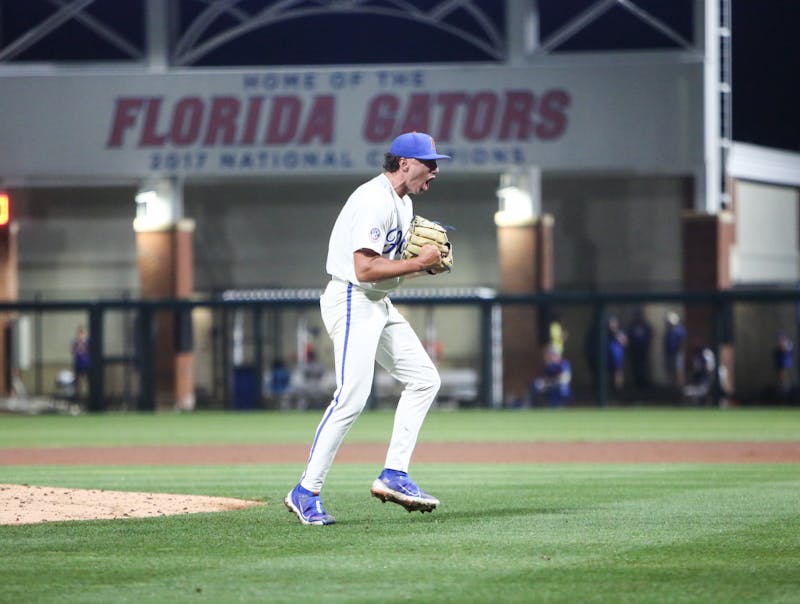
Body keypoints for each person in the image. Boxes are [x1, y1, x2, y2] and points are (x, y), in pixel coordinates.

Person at [285, 132, 451, 526]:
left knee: (425, 379)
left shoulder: (404, 203)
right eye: (430, 162)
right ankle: (306, 490)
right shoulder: (374, 199)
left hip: (377, 302)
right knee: (351, 398)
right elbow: (364, 268)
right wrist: (417, 263)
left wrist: (421, 264)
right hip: (351, 298)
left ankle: (394, 474)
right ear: (405, 163)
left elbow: (387, 270)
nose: (436, 170)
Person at [626, 309, 652, 391]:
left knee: (643, 367)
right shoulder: (632, 326)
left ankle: (643, 383)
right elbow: (628, 337)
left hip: (643, 351)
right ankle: (637, 384)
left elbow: (650, 333)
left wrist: (646, 344)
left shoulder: (645, 325)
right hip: (634, 351)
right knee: (635, 367)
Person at [663, 311, 686, 388]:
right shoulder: (669, 331)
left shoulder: (679, 330)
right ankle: (672, 387)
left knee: (678, 370)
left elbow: (682, 342)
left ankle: (680, 387)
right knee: (670, 370)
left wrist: (679, 351)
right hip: (670, 353)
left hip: (677, 353)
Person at [772, 332, 794, 401]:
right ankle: (783, 390)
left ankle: (786, 390)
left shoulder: (788, 345)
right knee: (781, 379)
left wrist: (784, 347)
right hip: (780, 365)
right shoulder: (778, 347)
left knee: (785, 378)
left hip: (786, 365)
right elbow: (775, 354)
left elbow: (788, 351)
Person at [70, 325, 91, 400]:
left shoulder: (88, 341)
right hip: (78, 364)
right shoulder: (75, 342)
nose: (80, 335)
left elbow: (90, 350)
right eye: (79, 333)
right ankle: (78, 397)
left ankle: (89, 396)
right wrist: (78, 346)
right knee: (78, 381)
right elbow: (72, 351)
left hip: (87, 364)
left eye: (82, 333)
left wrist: (84, 346)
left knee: (88, 381)